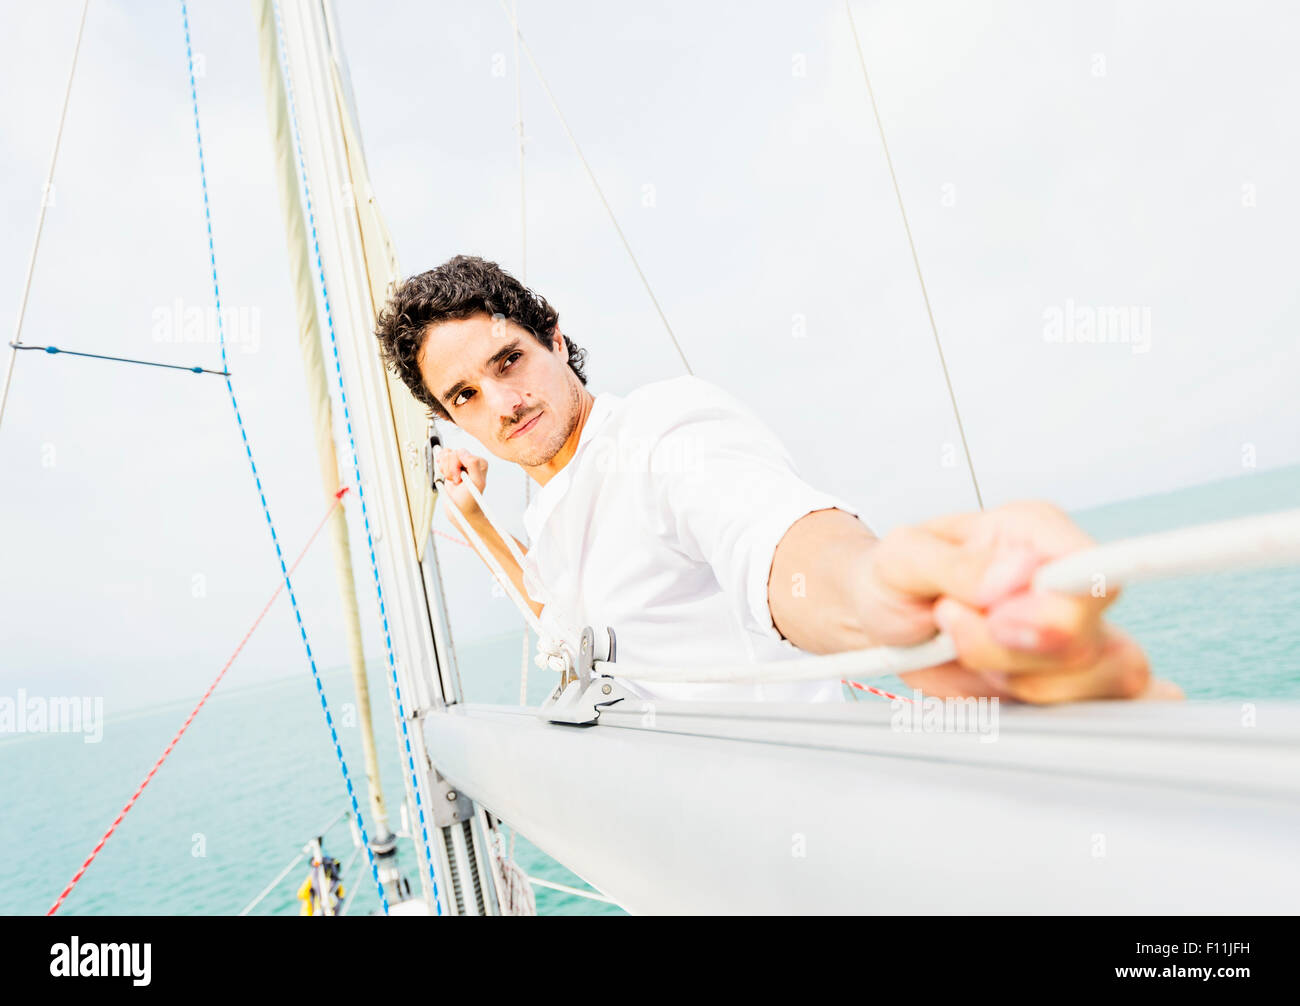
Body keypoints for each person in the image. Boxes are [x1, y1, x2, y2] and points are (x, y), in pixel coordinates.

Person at [374, 254, 1182, 705]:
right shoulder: (552, 500)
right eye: (466, 396)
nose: (503, 403)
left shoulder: (661, 431)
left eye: (508, 360)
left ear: (555, 339)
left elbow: (769, 538)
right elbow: (556, 613)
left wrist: (873, 595)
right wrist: (474, 519)